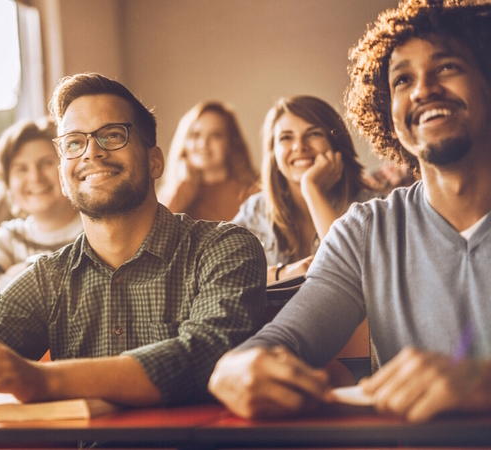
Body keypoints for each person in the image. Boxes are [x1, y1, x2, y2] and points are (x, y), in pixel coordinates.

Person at [0, 73, 266, 412]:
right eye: (74, 143)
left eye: (112, 135)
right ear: (64, 176)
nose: (92, 152)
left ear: (155, 161)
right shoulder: (48, 277)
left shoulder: (225, 248)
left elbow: (207, 356)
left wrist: (41, 379)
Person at [209, 0, 491, 422]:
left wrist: (480, 381)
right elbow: (285, 340)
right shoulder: (365, 231)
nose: (422, 89)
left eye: (447, 66)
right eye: (402, 80)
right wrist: (234, 368)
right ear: (388, 115)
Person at [231, 96, 375, 283]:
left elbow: (357, 274)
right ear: (273, 153)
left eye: (314, 134)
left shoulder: (371, 207)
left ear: (335, 143)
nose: (299, 146)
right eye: (286, 138)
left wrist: (311, 188)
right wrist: (281, 274)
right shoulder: (255, 211)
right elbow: (220, 272)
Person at [0, 118, 82, 311]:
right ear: (8, 185)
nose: (35, 177)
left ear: (67, 168)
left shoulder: (93, 228)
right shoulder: (10, 237)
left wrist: (17, 273)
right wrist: (39, 271)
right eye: (21, 169)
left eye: (46, 163)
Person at [158, 101, 259, 221]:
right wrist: (184, 187)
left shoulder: (254, 191)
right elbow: (154, 232)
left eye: (216, 135)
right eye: (195, 135)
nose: (203, 143)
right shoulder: (172, 193)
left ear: (231, 142)